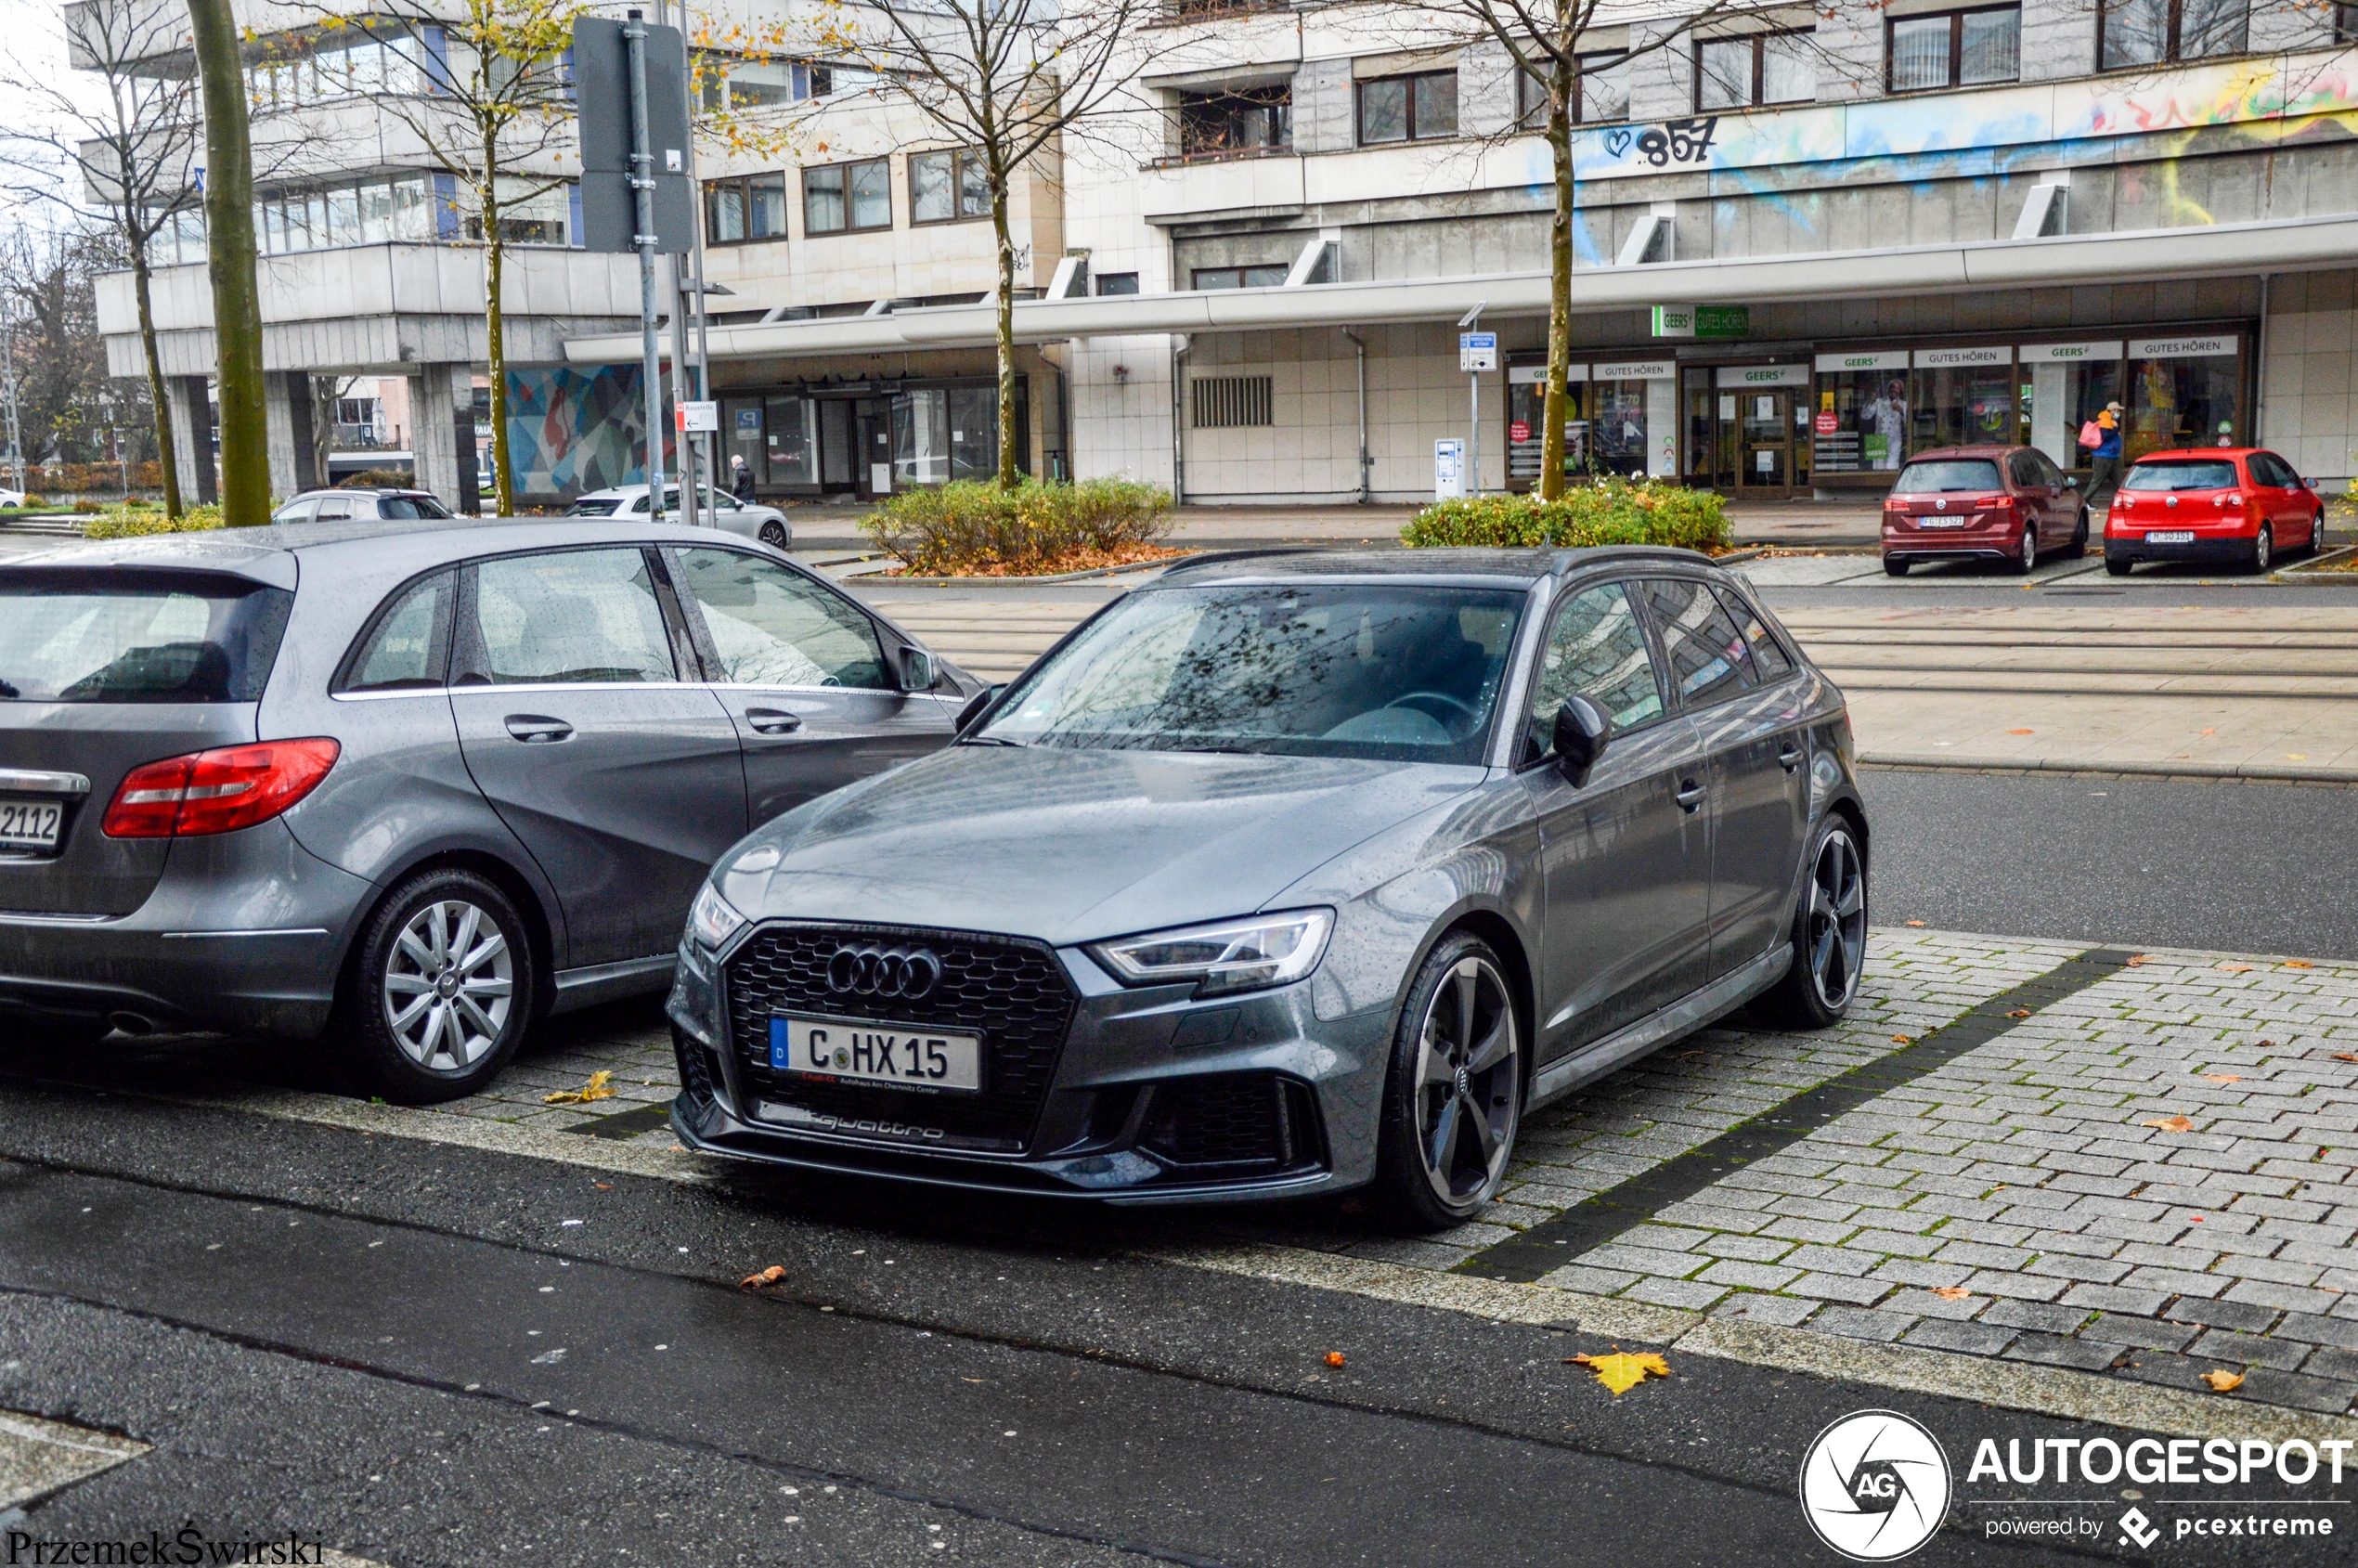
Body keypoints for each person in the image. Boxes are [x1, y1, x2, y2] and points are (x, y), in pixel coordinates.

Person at [2086, 400, 2124, 504]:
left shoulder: (2110, 420)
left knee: (2119, 481)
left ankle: (2126, 499)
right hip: (2104, 456)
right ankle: (2085, 500)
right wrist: (2116, 428)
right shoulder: (2106, 420)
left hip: (2112, 456)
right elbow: (2105, 436)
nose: (2119, 413)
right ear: (2112, 410)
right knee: (2097, 480)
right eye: (2117, 411)